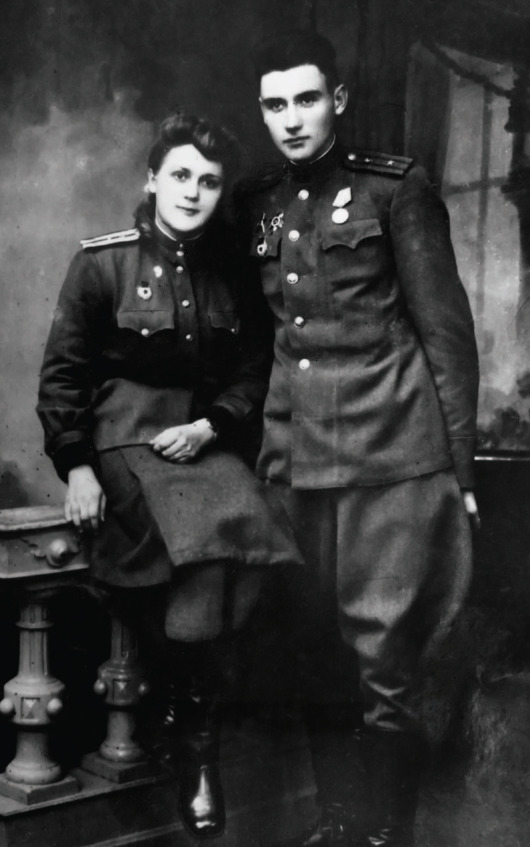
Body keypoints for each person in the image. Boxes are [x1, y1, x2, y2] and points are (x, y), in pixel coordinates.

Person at [236, 30, 480, 847]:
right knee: (314, 653)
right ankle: (339, 821)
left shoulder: (395, 189)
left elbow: (446, 336)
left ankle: (386, 835)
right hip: (295, 462)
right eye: (275, 104)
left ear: (336, 100)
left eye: (306, 99)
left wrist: (460, 470)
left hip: (391, 460)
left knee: (386, 663)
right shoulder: (259, 202)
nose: (292, 118)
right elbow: (263, 341)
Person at [37, 112, 300, 840]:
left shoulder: (230, 273)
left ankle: (191, 725)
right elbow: (62, 378)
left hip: (195, 441)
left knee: (254, 524)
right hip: (122, 442)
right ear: (152, 179)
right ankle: (196, 749)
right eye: (180, 175)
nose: (193, 192)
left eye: (209, 182)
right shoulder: (101, 263)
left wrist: (212, 425)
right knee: (205, 539)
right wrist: (77, 466)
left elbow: (253, 368)